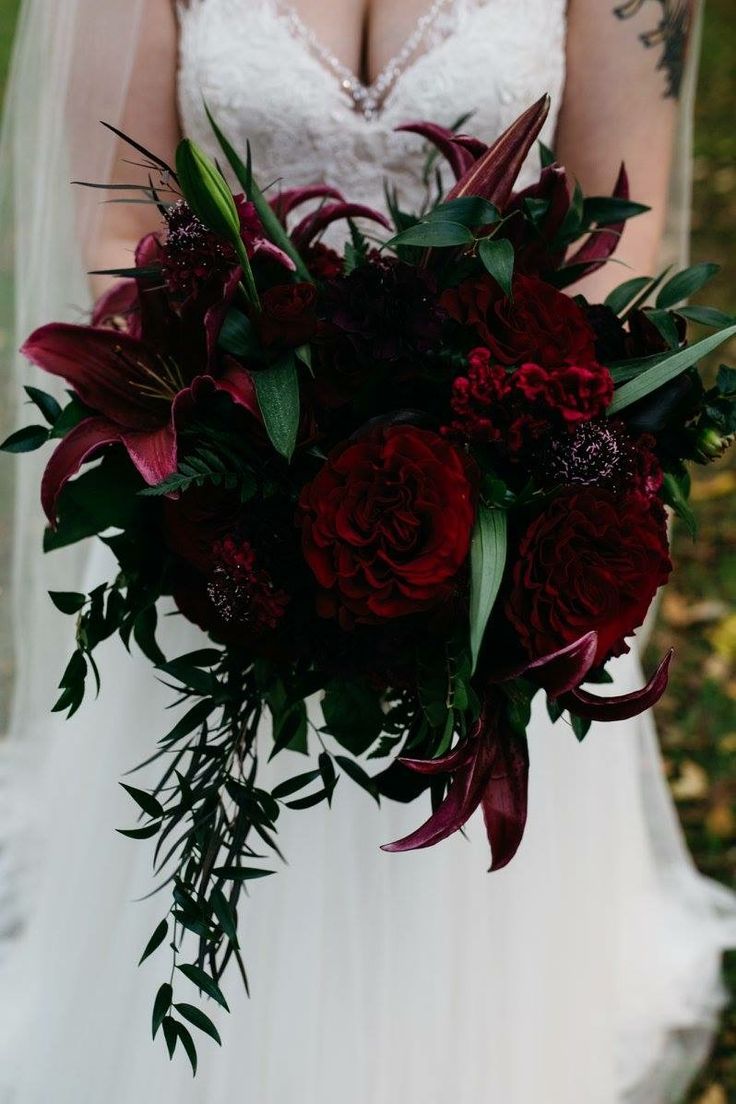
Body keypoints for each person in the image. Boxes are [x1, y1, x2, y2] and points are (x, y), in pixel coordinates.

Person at [0, 1, 734, 1101]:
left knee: (464, 919)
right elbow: (116, 238)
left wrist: (506, 495)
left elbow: (616, 244)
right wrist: (250, 476)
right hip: (222, 508)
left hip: (501, 499)